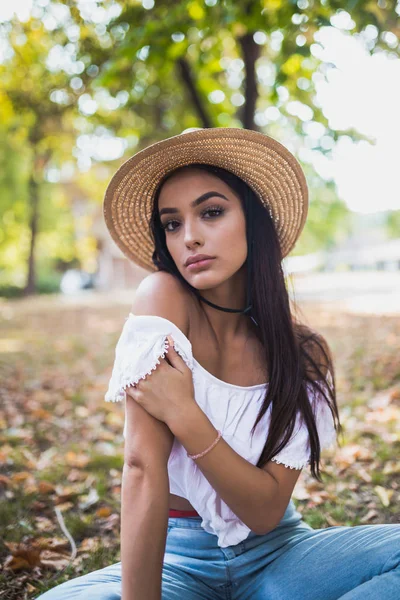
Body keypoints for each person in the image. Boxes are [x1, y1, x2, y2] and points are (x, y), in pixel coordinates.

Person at [36, 128, 400, 600]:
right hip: (178, 561)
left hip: (279, 554)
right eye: (171, 223)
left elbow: (266, 511)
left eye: (211, 212)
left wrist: (186, 414)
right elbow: (142, 467)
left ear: (253, 220)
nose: (189, 238)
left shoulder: (302, 354)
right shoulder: (163, 299)